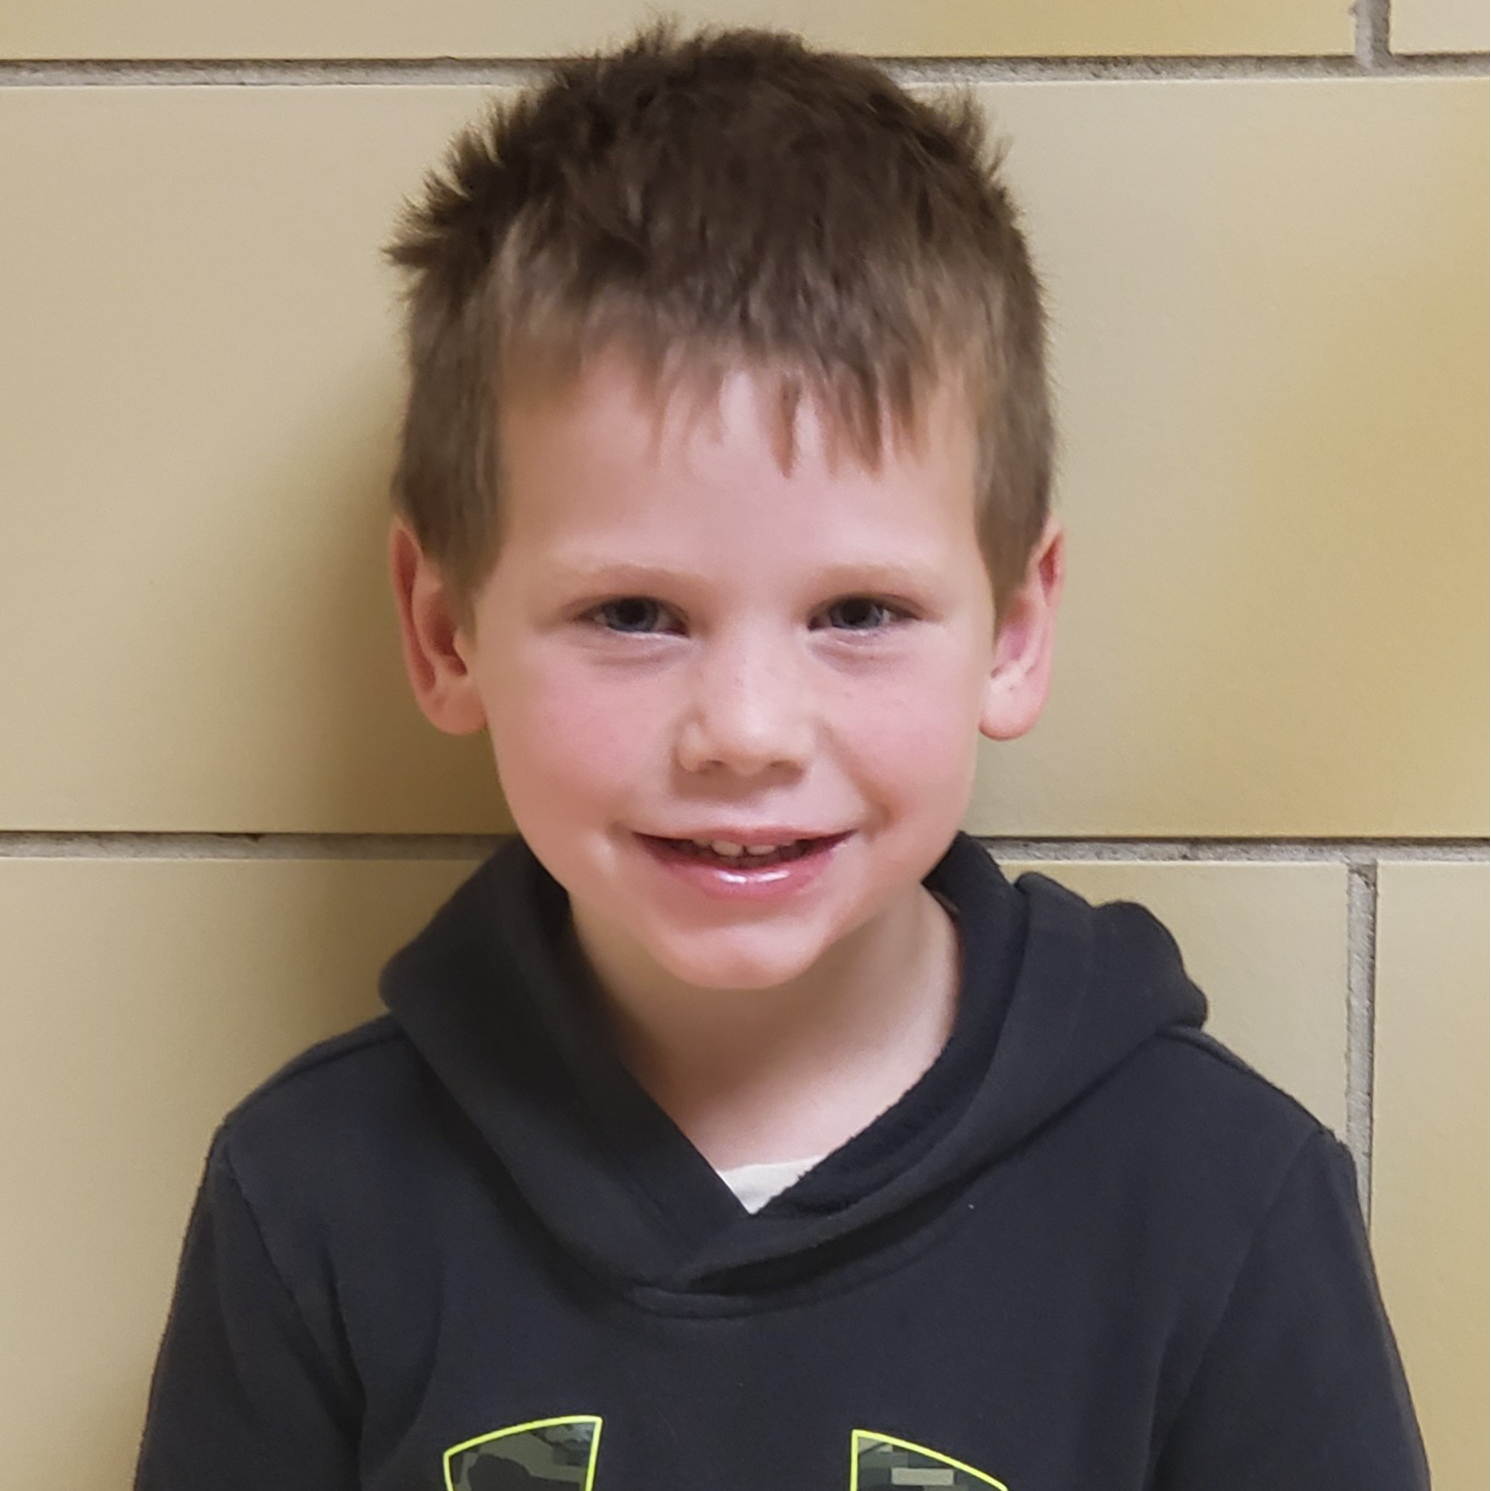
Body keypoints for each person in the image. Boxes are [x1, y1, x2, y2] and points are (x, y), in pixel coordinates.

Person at [134, 24, 1428, 1490]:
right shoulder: (310, 1196)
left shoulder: (1219, 1202)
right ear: (445, 635)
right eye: (631, 613)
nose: (746, 730)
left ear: (1011, 629)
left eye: (858, 612)